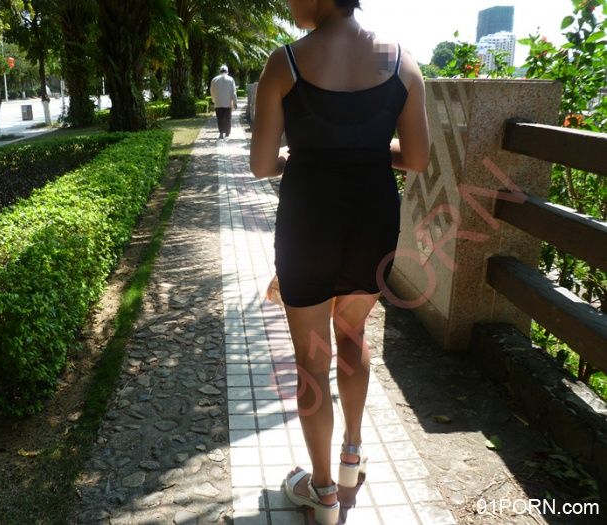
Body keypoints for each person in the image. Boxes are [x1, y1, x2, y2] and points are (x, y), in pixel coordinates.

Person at [249, 1, 430, 523]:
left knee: (311, 362)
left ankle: (323, 492)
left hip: (308, 224)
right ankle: (352, 456)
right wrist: (368, 152)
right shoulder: (404, 63)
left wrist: (305, 155)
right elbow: (416, 159)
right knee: (353, 336)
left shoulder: (284, 63)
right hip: (373, 221)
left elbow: (262, 164)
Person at [210, 65, 238, 139]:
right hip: (228, 103)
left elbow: (212, 91)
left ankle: (221, 133)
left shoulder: (214, 79)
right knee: (228, 119)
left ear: (220, 71)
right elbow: (234, 92)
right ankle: (227, 133)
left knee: (220, 118)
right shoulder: (231, 79)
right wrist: (235, 102)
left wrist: (213, 100)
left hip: (218, 103)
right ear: (227, 72)